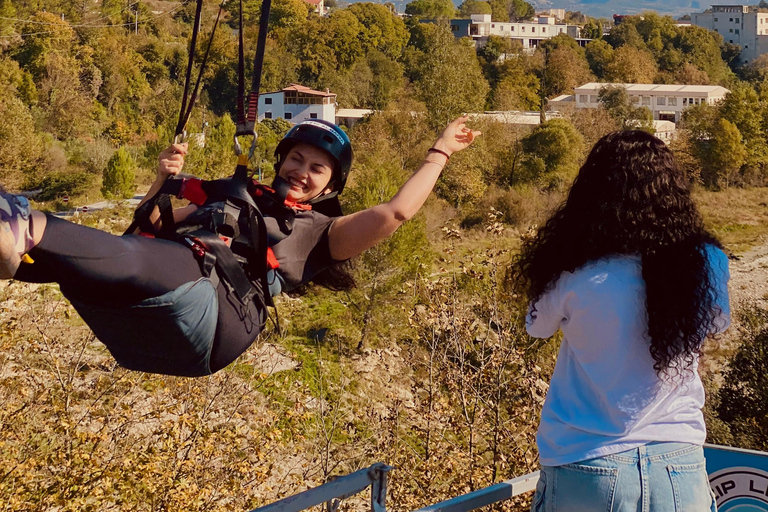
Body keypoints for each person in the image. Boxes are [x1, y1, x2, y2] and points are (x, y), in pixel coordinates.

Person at [0, 116, 480, 377]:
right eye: (296, 159)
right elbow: (141, 231)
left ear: (330, 187)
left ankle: (23, 222)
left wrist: (440, 152)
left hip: (219, 318)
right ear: (280, 160)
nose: (301, 171)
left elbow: (395, 214)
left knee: (171, 258)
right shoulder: (232, 196)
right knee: (77, 261)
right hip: (156, 302)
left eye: (317, 169)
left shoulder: (321, 235)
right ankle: (19, 245)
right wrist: (161, 179)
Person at [513, 130, 729, 511]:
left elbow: (537, 327)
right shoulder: (704, 261)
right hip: (678, 465)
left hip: (585, 461)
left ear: (592, 195)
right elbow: (716, 326)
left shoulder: (571, 270)